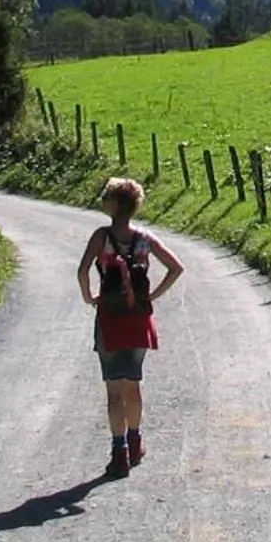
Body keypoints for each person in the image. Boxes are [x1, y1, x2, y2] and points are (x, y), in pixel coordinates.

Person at [77, 177, 183, 479]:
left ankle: (118, 451)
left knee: (113, 389)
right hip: (138, 317)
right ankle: (136, 442)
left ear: (113, 204)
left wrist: (89, 298)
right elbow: (176, 267)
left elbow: (83, 270)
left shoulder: (101, 236)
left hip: (110, 317)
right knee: (133, 383)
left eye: (106, 196)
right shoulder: (145, 238)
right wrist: (152, 295)